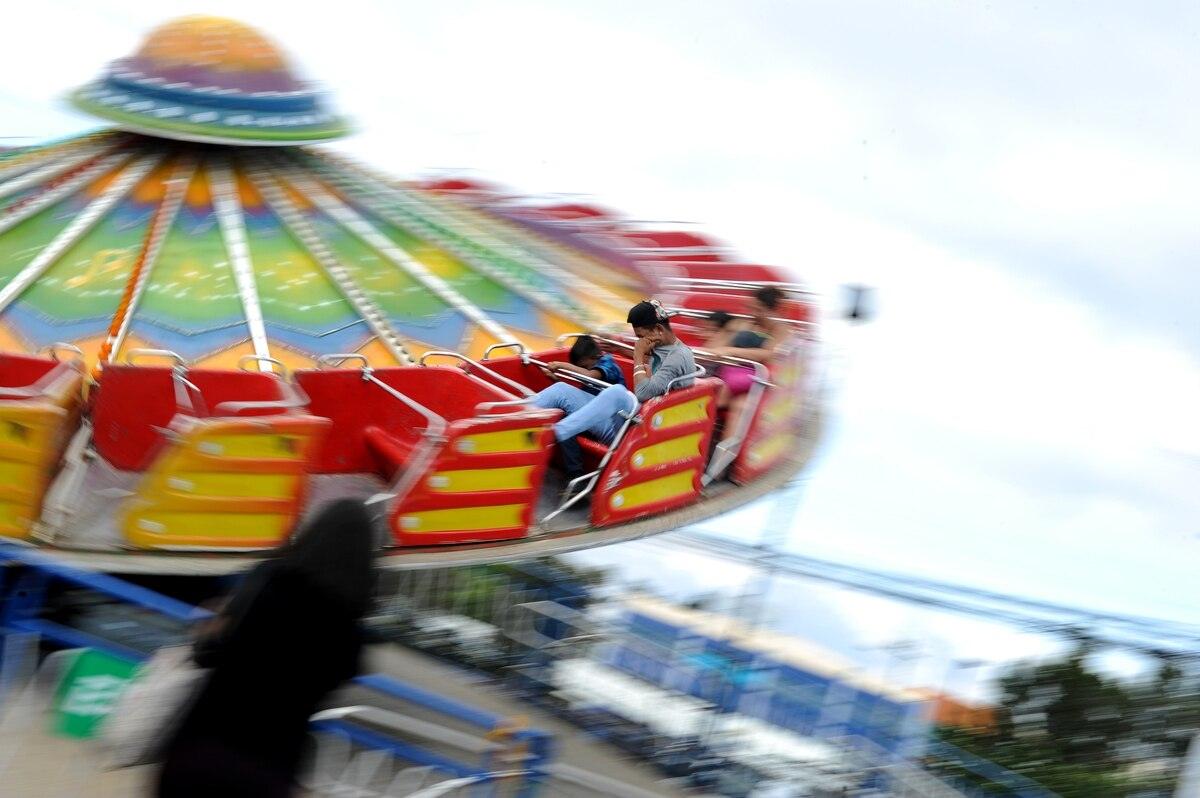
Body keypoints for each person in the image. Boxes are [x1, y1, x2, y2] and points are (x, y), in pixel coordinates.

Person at [156, 499, 377, 798]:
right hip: (269, 771)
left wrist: (212, 628)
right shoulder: (350, 631)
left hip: (201, 750)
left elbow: (206, 653)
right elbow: (340, 677)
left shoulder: (270, 580)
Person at [532, 300, 696, 484]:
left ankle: (553, 434)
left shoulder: (678, 357)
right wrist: (621, 348)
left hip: (642, 433)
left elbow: (643, 393)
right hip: (629, 423)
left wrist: (638, 356)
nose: (640, 342)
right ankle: (517, 417)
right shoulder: (659, 346)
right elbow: (650, 371)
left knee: (617, 392)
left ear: (658, 329)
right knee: (561, 390)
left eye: (641, 336)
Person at [541, 334, 626, 395]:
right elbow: (579, 392)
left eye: (584, 367)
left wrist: (561, 365)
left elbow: (590, 376)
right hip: (594, 402)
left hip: (612, 409)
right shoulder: (591, 368)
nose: (582, 370)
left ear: (596, 356)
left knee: (561, 391)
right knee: (560, 388)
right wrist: (555, 379)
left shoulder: (607, 363)